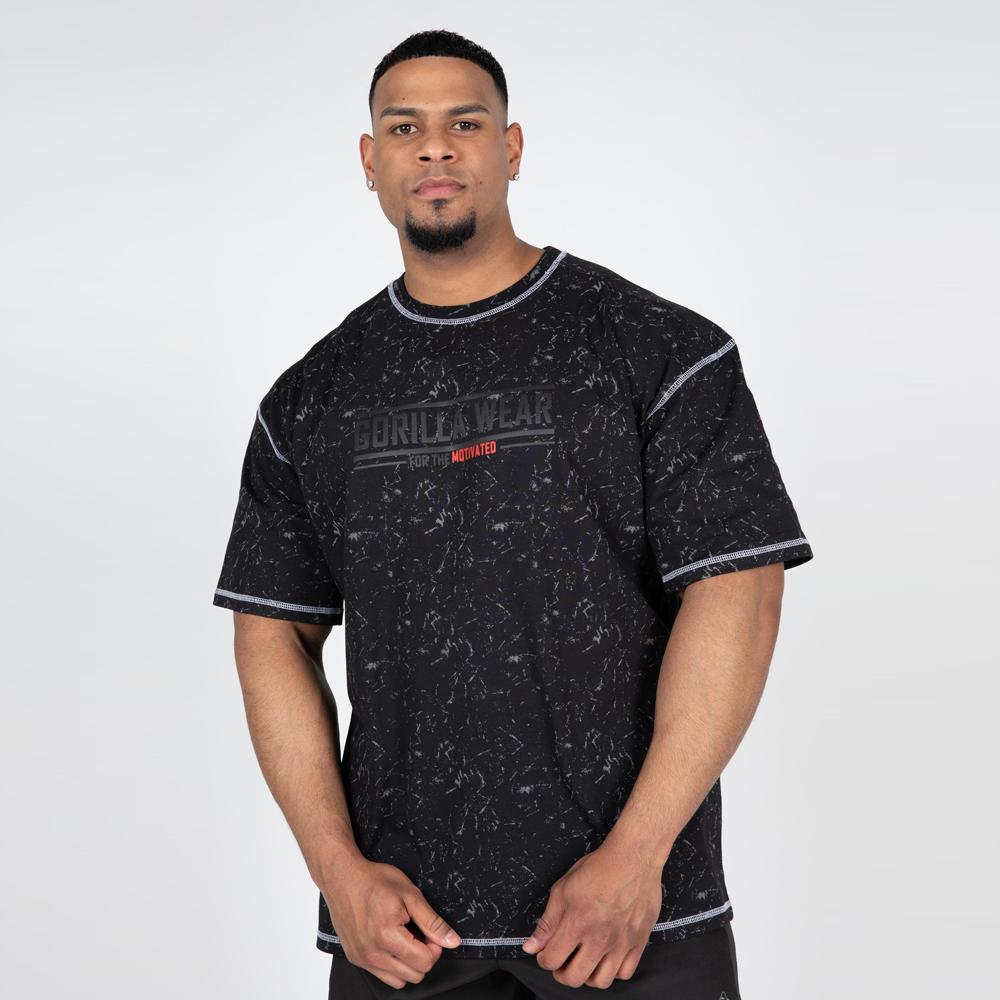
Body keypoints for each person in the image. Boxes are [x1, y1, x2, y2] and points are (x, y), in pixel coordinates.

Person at [212, 29, 814, 1000]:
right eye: (403, 127)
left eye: (465, 123)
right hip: (400, 939)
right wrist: (337, 872)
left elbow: (740, 594)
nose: (434, 147)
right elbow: (270, 633)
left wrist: (636, 855)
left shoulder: (661, 349)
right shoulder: (309, 399)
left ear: (512, 147)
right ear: (369, 160)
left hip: (633, 924)